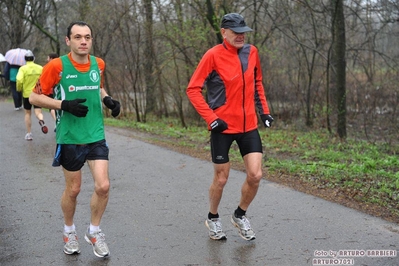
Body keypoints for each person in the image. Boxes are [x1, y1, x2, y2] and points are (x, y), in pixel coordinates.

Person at [29, 21, 121, 257]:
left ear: (91, 40)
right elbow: (34, 98)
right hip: (69, 136)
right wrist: (64, 105)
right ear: (68, 40)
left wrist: (108, 99)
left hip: (96, 135)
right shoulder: (57, 66)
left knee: (104, 186)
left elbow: (97, 87)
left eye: (87, 37)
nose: (83, 41)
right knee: (74, 190)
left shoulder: (98, 64)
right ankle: (69, 230)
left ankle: (94, 230)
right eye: (78, 37)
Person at [186, 13, 274, 241]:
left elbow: (257, 83)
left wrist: (264, 111)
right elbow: (192, 89)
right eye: (235, 32)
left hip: (248, 126)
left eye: (243, 31)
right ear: (224, 32)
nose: (240, 36)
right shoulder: (212, 55)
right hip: (222, 127)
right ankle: (213, 217)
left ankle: (239, 214)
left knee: (255, 175)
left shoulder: (252, 52)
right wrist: (211, 118)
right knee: (221, 179)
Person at [16, 50, 47, 140]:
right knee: (38, 112)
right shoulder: (40, 68)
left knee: (27, 113)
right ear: (33, 58)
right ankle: (41, 120)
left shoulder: (23, 69)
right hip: (37, 93)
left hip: (27, 95)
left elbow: (19, 80)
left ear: (25, 59)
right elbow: (44, 79)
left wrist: (19, 89)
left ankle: (29, 134)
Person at [46, 52, 59, 131]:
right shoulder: (61, 65)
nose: (47, 59)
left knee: (52, 108)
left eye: (47, 57)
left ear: (51, 58)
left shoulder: (49, 66)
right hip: (60, 90)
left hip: (51, 90)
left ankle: (57, 123)